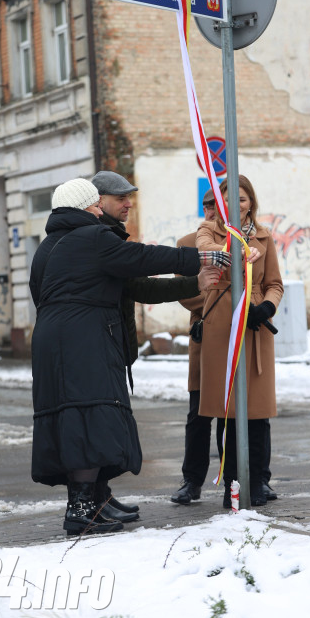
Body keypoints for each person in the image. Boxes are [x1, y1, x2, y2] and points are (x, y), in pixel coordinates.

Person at [29, 177, 230, 536]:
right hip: (84, 338)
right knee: (91, 418)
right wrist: (200, 258)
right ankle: (82, 509)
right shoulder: (92, 237)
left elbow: (41, 292)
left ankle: (88, 504)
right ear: (85, 207)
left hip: (50, 339)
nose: (97, 210)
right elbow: (143, 257)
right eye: (95, 204)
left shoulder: (48, 247)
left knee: (74, 420)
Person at [91, 171, 220, 518]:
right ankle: (93, 499)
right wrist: (198, 270)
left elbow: (140, 287)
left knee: (110, 426)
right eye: (121, 198)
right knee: (101, 427)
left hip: (112, 346)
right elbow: (147, 267)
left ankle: (100, 494)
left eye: (128, 197)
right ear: (98, 201)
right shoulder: (102, 240)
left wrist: (194, 281)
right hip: (99, 346)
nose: (128, 204)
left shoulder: (108, 236)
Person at [196, 175, 284, 508]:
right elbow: (206, 252)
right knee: (228, 410)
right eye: (229, 199)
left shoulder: (265, 236)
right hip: (222, 324)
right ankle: (231, 482)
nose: (236, 205)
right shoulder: (210, 231)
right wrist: (239, 247)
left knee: (257, 411)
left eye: (243, 200)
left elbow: (275, 282)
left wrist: (267, 306)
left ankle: (258, 480)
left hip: (256, 326)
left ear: (252, 203)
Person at [171, 188, 217, 505]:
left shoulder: (245, 242)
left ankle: (250, 479)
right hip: (205, 333)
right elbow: (185, 293)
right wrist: (222, 304)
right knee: (198, 414)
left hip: (238, 337)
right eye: (207, 206)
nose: (211, 211)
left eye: (218, 206)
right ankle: (192, 481)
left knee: (246, 414)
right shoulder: (188, 244)